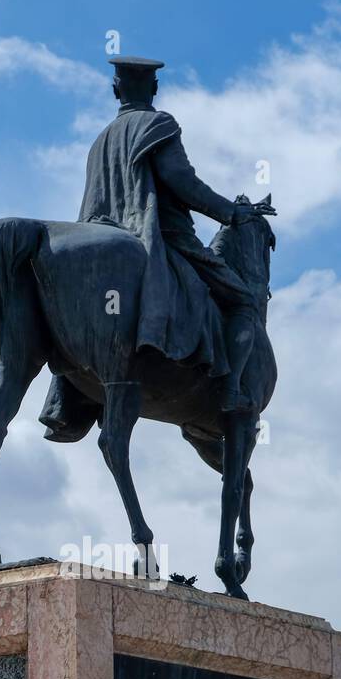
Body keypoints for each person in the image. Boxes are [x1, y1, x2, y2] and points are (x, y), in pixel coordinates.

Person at [40, 55, 276, 438]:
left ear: (116, 89)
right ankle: (232, 390)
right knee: (243, 301)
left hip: (103, 228)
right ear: (154, 88)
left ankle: (65, 396)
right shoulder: (159, 123)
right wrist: (231, 213)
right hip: (160, 235)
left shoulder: (101, 139)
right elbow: (181, 179)